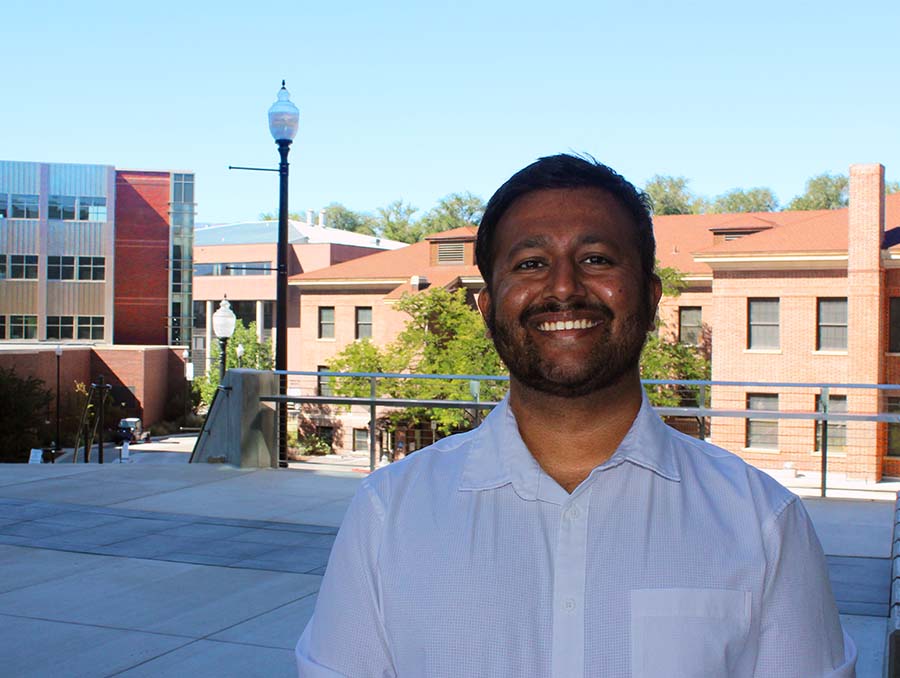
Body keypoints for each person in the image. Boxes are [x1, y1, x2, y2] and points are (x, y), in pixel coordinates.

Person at [296, 154, 856, 677]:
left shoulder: (764, 523)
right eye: (531, 263)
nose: (564, 287)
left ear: (650, 294)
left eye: (595, 259)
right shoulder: (387, 516)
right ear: (488, 307)